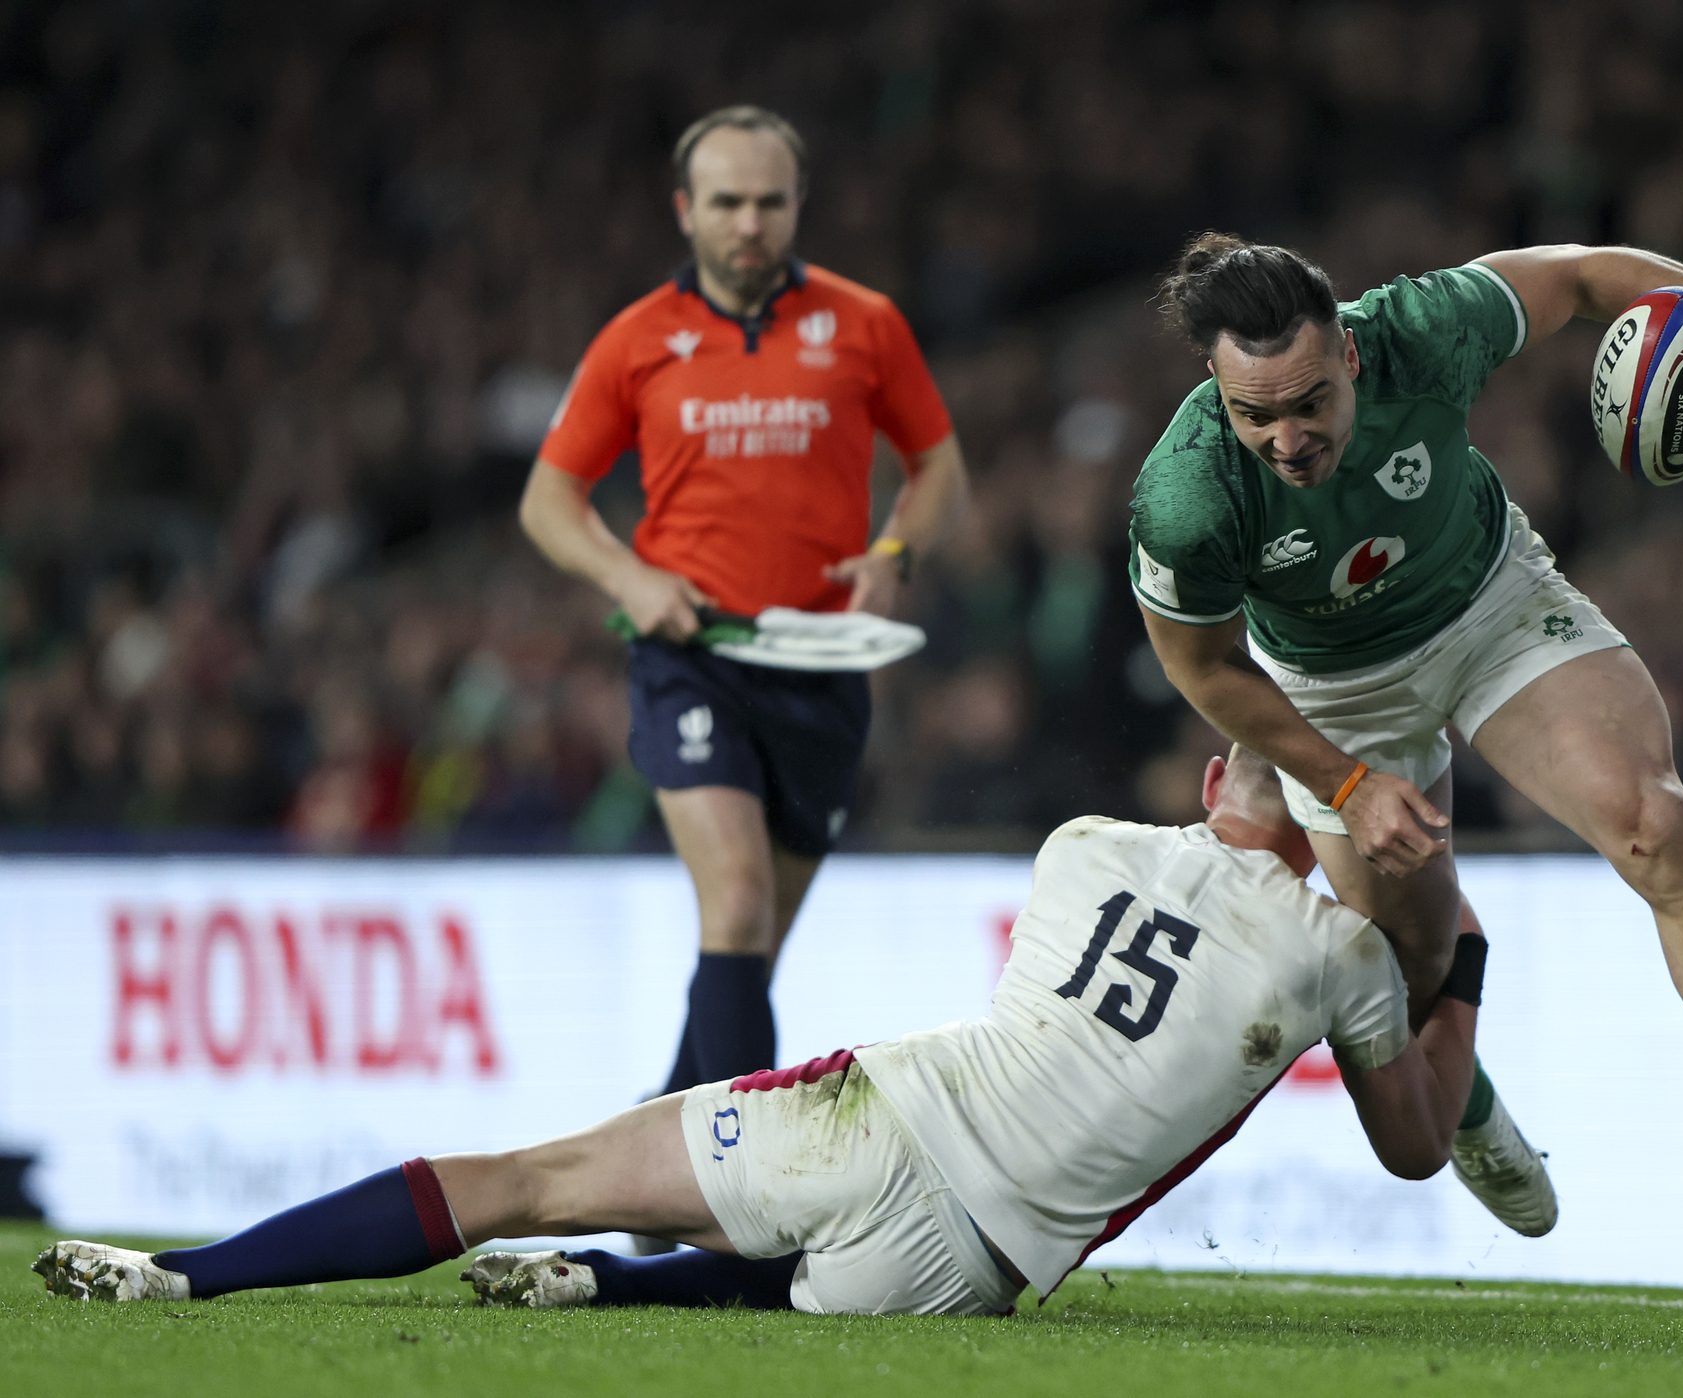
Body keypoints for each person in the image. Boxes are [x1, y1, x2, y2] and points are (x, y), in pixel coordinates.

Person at [41, 748, 1492, 1315]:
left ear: (1214, 770)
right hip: (972, 1265)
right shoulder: (1343, 959)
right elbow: (1420, 1149)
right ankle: (604, 1294)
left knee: (532, 1171)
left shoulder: (1084, 843)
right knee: (786, 1306)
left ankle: (185, 1283)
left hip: (881, 1115)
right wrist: (1460, 967)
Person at [1127, 233, 1683, 1239]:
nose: (1286, 438)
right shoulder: (1185, 499)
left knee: (1654, 827)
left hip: (1491, 609)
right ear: (1213, 385)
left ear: (1351, 357)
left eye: (1308, 403)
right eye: (1254, 414)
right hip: (1334, 691)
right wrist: (1341, 785)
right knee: (1408, 1067)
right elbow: (1199, 667)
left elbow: (1582, 275)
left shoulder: (1420, 329)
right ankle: (1459, 1079)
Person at [517, 107, 968, 1112]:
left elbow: (937, 468)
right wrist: (628, 577)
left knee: (747, 946)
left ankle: (655, 1134)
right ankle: (724, 1195)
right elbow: (547, 500)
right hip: (693, 655)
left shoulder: (866, 324)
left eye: (769, 201)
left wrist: (895, 550)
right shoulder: (636, 340)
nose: (749, 224)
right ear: (685, 211)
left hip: (824, 664)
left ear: (798, 205)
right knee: (737, 900)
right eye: (727, 202)